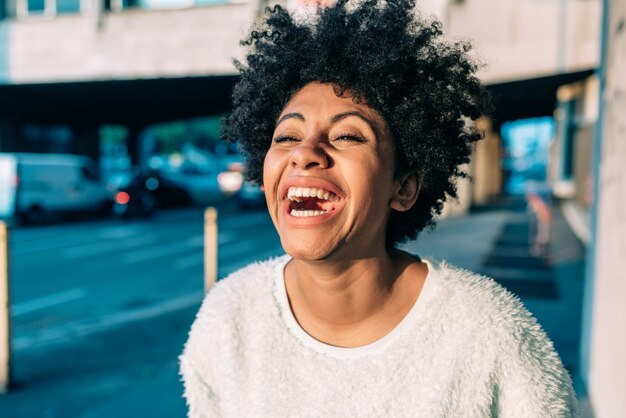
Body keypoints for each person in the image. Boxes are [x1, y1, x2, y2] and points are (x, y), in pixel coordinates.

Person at [180, 1, 578, 416]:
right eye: (286, 137)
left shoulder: (489, 333)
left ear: (403, 188)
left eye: (348, 136)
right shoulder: (230, 317)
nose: (305, 153)